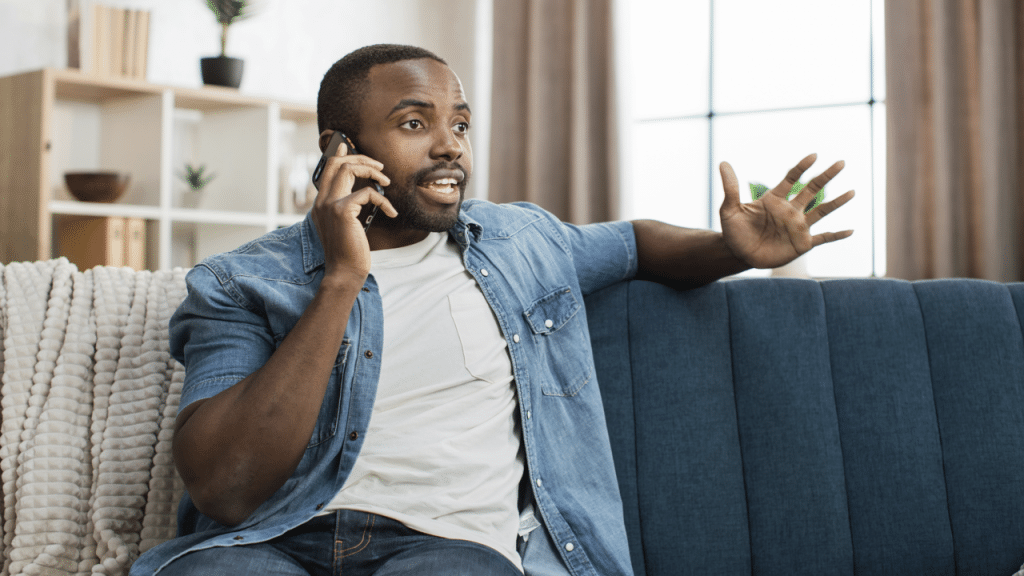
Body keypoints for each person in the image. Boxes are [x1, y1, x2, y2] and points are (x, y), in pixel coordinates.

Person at [130, 44, 854, 576]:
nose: (450, 146)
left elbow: (636, 245)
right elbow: (224, 488)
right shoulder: (239, 282)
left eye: (460, 124)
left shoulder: (522, 242)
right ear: (341, 150)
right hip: (272, 542)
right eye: (415, 125)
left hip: (446, 548)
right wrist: (342, 280)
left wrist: (731, 251)